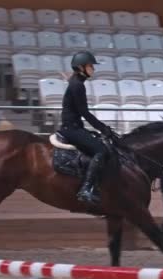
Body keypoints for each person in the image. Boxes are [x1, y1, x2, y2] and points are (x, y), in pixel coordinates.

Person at [59, 51, 114, 205]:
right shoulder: (78, 85)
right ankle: (86, 188)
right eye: (90, 66)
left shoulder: (76, 82)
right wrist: (103, 128)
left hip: (74, 126)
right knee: (101, 150)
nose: (93, 69)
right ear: (81, 67)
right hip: (71, 129)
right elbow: (84, 112)